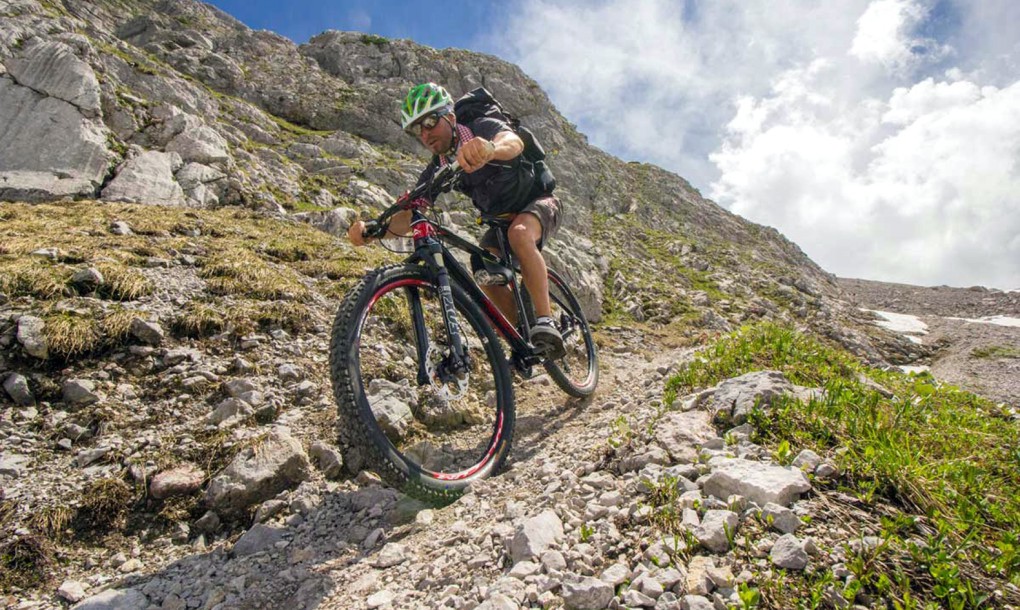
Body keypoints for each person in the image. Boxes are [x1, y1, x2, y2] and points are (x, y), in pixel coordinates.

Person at [347, 82, 564, 357]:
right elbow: (410, 214)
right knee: (485, 276)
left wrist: (489, 148)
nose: (425, 134)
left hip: (538, 201)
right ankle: (526, 339)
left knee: (520, 234)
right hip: (498, 222)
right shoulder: (438, 166)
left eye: (430, 121)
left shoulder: (481, 125)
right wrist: (373, 231)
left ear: (450, 117)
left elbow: (513, 142)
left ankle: (546, 321)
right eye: (417, 129)